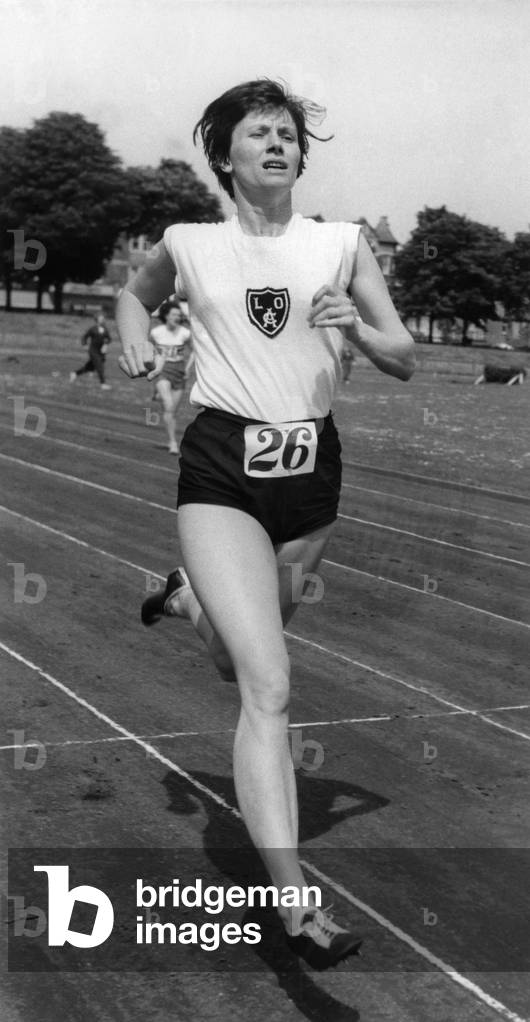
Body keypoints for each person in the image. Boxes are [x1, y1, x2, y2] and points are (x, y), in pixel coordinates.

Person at [116, 79, 415, 969]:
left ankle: (182, 602)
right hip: (218, 472)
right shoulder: (189, 243)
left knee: (227, 656)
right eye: (260, 133)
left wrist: (358, 332)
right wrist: (134, 329)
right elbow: (137, 294)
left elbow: (404, 354)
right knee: (269, 686)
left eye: (288, 133)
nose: (278, 144)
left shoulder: (343, 243)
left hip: (309, 477)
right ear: (228, 157)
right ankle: (294, 904)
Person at [149, 302, 194, 454]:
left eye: (179, 315)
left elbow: (195, 351)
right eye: (174, 314)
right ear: (166, 316)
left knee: (172, 411)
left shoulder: (185, 333)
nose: (177, 317)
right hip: (163, 370)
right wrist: (154, 367)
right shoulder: (156, 333)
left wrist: (188, 369)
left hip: (179, 371)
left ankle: (171, 439)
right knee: (168, 405)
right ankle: (173, 443)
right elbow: (148, 350)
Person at [70, 312, 112, 389]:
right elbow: (84, 337)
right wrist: (85, 345)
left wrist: (105, 345)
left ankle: (75, 373)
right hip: (93, 351)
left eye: (103, 318)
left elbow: (109, 339)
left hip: (101, 352)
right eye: (101, 318)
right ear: (97, 320)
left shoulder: (105, 329)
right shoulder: (93, 329)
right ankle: (103, 384)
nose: (103, 320)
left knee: (90, 367)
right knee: (100, 366)